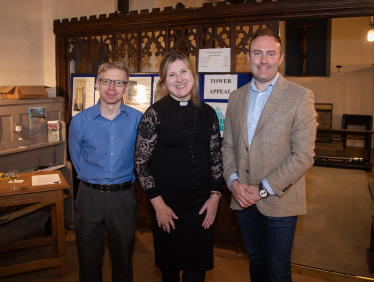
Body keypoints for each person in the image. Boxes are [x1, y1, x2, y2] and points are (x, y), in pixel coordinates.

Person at [222, 28, 317, 282]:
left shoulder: (300, 97)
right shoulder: (236, 98)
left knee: (277, 269)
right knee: (255, 261)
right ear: (249, 57)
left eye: (270, 54)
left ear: (281, 58)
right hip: (242, 200)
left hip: (280, 201)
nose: (263, 60)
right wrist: (233, 183)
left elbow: (303, 155)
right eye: (257, 53)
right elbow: (227, 146)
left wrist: (262, 189)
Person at [135, 52, 223, 282]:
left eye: (183, 71)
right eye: (171, 74)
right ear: (164, 81)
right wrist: (159, 206)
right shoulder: (154, 115)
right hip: (167, 205)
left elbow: (215, 158)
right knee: (170, 272)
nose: (179, 78)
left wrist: (215, 197)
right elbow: (141, 164)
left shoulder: (208, 113)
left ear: (193, 75)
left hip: (202, 206)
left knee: (197, 272)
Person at [69, 61, 142, 282]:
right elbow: (77, 159)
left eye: (118, 82)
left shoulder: (138, 120)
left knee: (123, 260)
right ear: (97, 84)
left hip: (123, 197)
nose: (112, 87)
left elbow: (143, 159)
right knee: (88, 261)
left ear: (127, 87)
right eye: (106, 81)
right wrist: (95, 180)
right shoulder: (79, 121)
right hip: (88, 197)